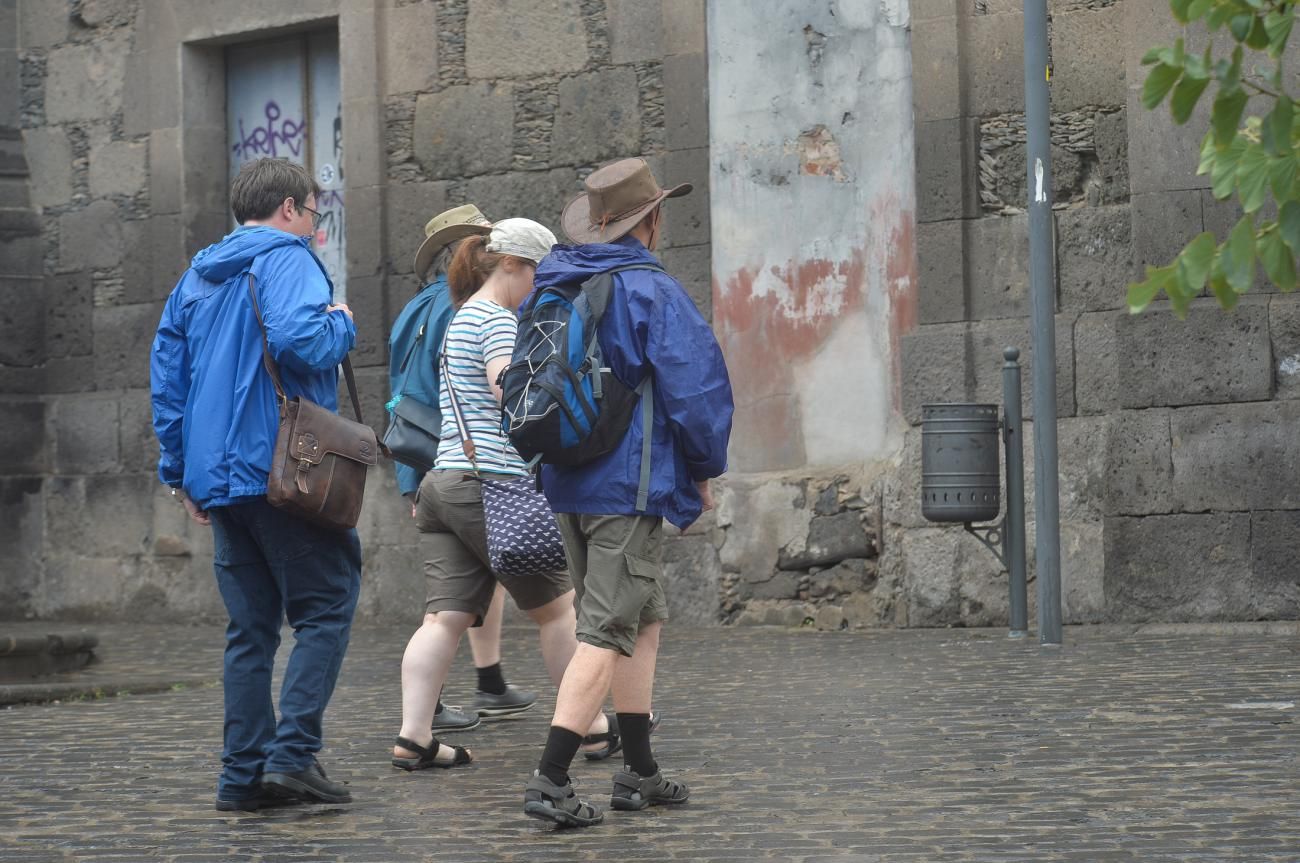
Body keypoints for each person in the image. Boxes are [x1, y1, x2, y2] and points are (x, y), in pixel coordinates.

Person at [521, 159, 733, 827]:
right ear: (654, 220)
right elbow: (695, 391)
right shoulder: (650, 290)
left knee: (642, 617)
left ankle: (639, 769)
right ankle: (551, 777)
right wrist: (702, 471)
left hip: (567, 481)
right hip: (627, 487)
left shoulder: (557, 281)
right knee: (608, 628)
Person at [150, 157, 361, 811]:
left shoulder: (195, 277)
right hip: (282, 469)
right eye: (313, 211)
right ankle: (293, 758)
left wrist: (180, 472)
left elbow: (168, 380)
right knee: (325, 608)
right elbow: (304, 340)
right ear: (291, 209)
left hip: (220, 479)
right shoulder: (288, 256)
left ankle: (241, 776)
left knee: (251, 631)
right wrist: (344, 319)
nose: (314, 223)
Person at [391, 218, 611, 770]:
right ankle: (592, 728)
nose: (541, 287)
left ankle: (415, 736)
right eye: (538, 274)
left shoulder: (460, 317)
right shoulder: (493, 320)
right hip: (490, 482)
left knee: (442, 618)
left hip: (442, 482)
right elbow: (509, 394)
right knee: (559, 613)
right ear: (512, 265)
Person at [389, 205, 539, 734]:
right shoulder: (473, 310)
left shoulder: (417, 309)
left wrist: (413, 478)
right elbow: (498, 394)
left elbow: (402, 398)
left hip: (434, 466)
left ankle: (432, 718)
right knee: (556, 607)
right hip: (476, 464)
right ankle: (586, 725)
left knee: (448, 606)